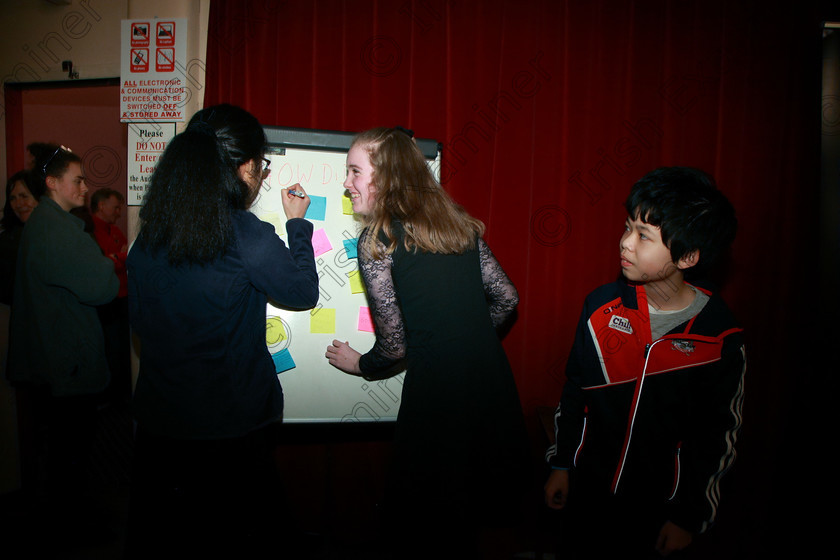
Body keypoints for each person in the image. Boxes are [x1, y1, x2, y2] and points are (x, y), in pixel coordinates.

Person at [125, 104, 319, 558]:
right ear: (247, 166)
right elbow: (302, 292)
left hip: (160, 425)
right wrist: (297, 225)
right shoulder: (246, 235)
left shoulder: (150, 233)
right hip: (230, 431)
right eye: (263, 167)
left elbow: (139, 323)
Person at [325, 127, 529, 559]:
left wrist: (359, 364)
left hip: (439, 400)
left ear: (386, 176)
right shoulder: (457, 227)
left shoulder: (377, 239)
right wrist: (465, 339)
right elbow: (508, 298)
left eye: (354, 171)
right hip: (490, 386)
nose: (347, 182)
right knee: (468, 525)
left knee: (422, 530)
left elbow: (394, 346)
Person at [543, 167, 745, 559]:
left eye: (643, 236)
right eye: (627, 227)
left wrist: (688, 517)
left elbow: (718, 438)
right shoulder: (600, 307)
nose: (625, 243)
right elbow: (574, 393)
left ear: (687, 256)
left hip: (656, 512)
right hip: (588, 498)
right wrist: (563, 465)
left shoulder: (720, 338)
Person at [7, 143, 119, 532]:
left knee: (62, 448)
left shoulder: (45, 224)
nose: (86, 187)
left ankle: (66, 518)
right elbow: (102, 288)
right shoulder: (58, 230)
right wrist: (105, 266)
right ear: (53, 183)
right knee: (72, 449)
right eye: (78, 180)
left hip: (54, 355)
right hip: (66, 358)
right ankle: (71, 525)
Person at [90, 188, 130, 404]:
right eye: (115, 207)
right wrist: (118, 257)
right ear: (101, 206)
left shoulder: (114, 231)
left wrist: (117, 257)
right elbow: (101, 265)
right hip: (107, 303)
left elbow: (125, 256)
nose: (118, 213)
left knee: (123, 349)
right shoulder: (90, 233)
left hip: (123, 300)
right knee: (111, 350)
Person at [0, 170, 39, 304]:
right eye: (13, 198)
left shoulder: (56, 233)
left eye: (24, 196)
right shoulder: (8, 240)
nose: (19, 204)